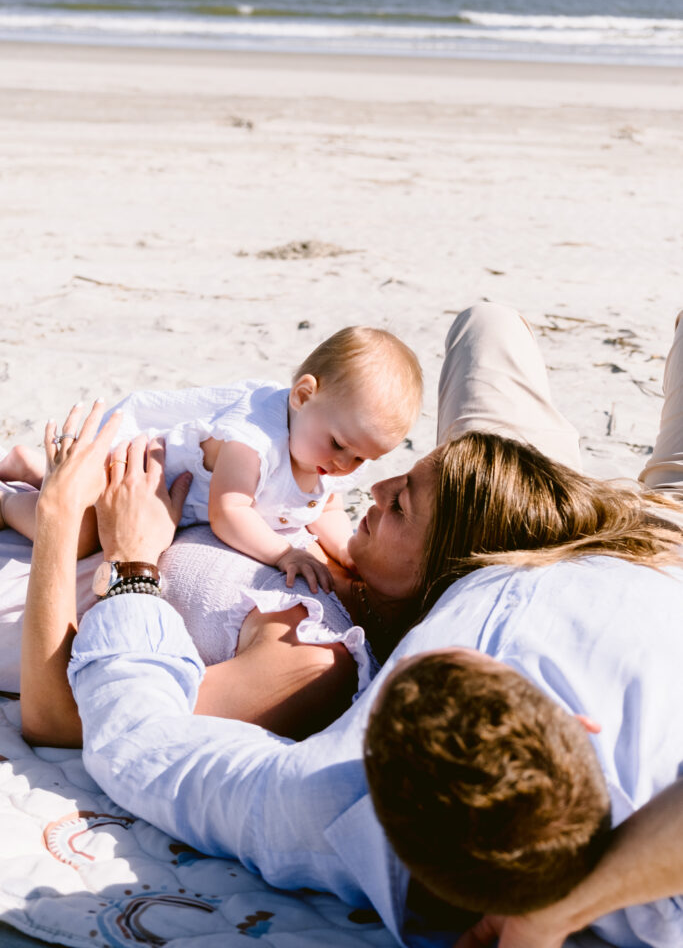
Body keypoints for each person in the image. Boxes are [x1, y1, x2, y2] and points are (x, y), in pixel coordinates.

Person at [17, 303, 683, 947]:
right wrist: (562, 912)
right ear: (581, 721)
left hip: (488, 539)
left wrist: (126, 555)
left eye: (428, 655)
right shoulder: (657, 767)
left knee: (486, 327)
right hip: (646, 550)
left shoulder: (322, 800)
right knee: (485, 324)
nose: (374, 484)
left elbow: (132, 737)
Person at [0, 325, 423, 593]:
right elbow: (228, 512)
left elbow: (323, 506)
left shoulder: (324, 452)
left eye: (362, 459)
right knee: (81, 535)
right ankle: (9, 500)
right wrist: (283, 553)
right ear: (303, 396)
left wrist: (346, 551)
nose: (344, 465)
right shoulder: (254, 442)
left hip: (159, 497)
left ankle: (30, 468)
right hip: (133, 470)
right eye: (339, 445)